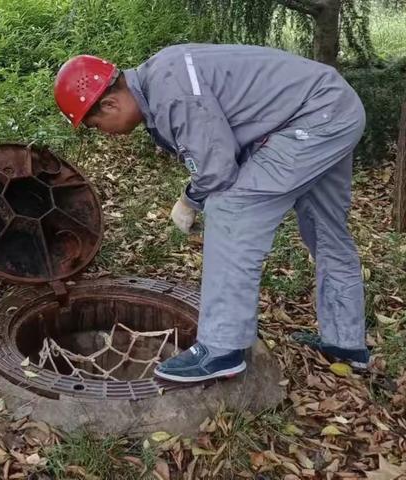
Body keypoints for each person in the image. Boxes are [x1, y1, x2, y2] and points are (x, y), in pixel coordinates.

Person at [54, 44, 370, 383]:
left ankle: (222, 349)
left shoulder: (170, 89)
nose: (104, 133)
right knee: (326, 230)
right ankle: (345, 343)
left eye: (96, 125)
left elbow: (217, 172)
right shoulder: (162, 78)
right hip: (333, 107)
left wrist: (189, 200)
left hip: (314, 117)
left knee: (231, 207)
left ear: (111, 103)